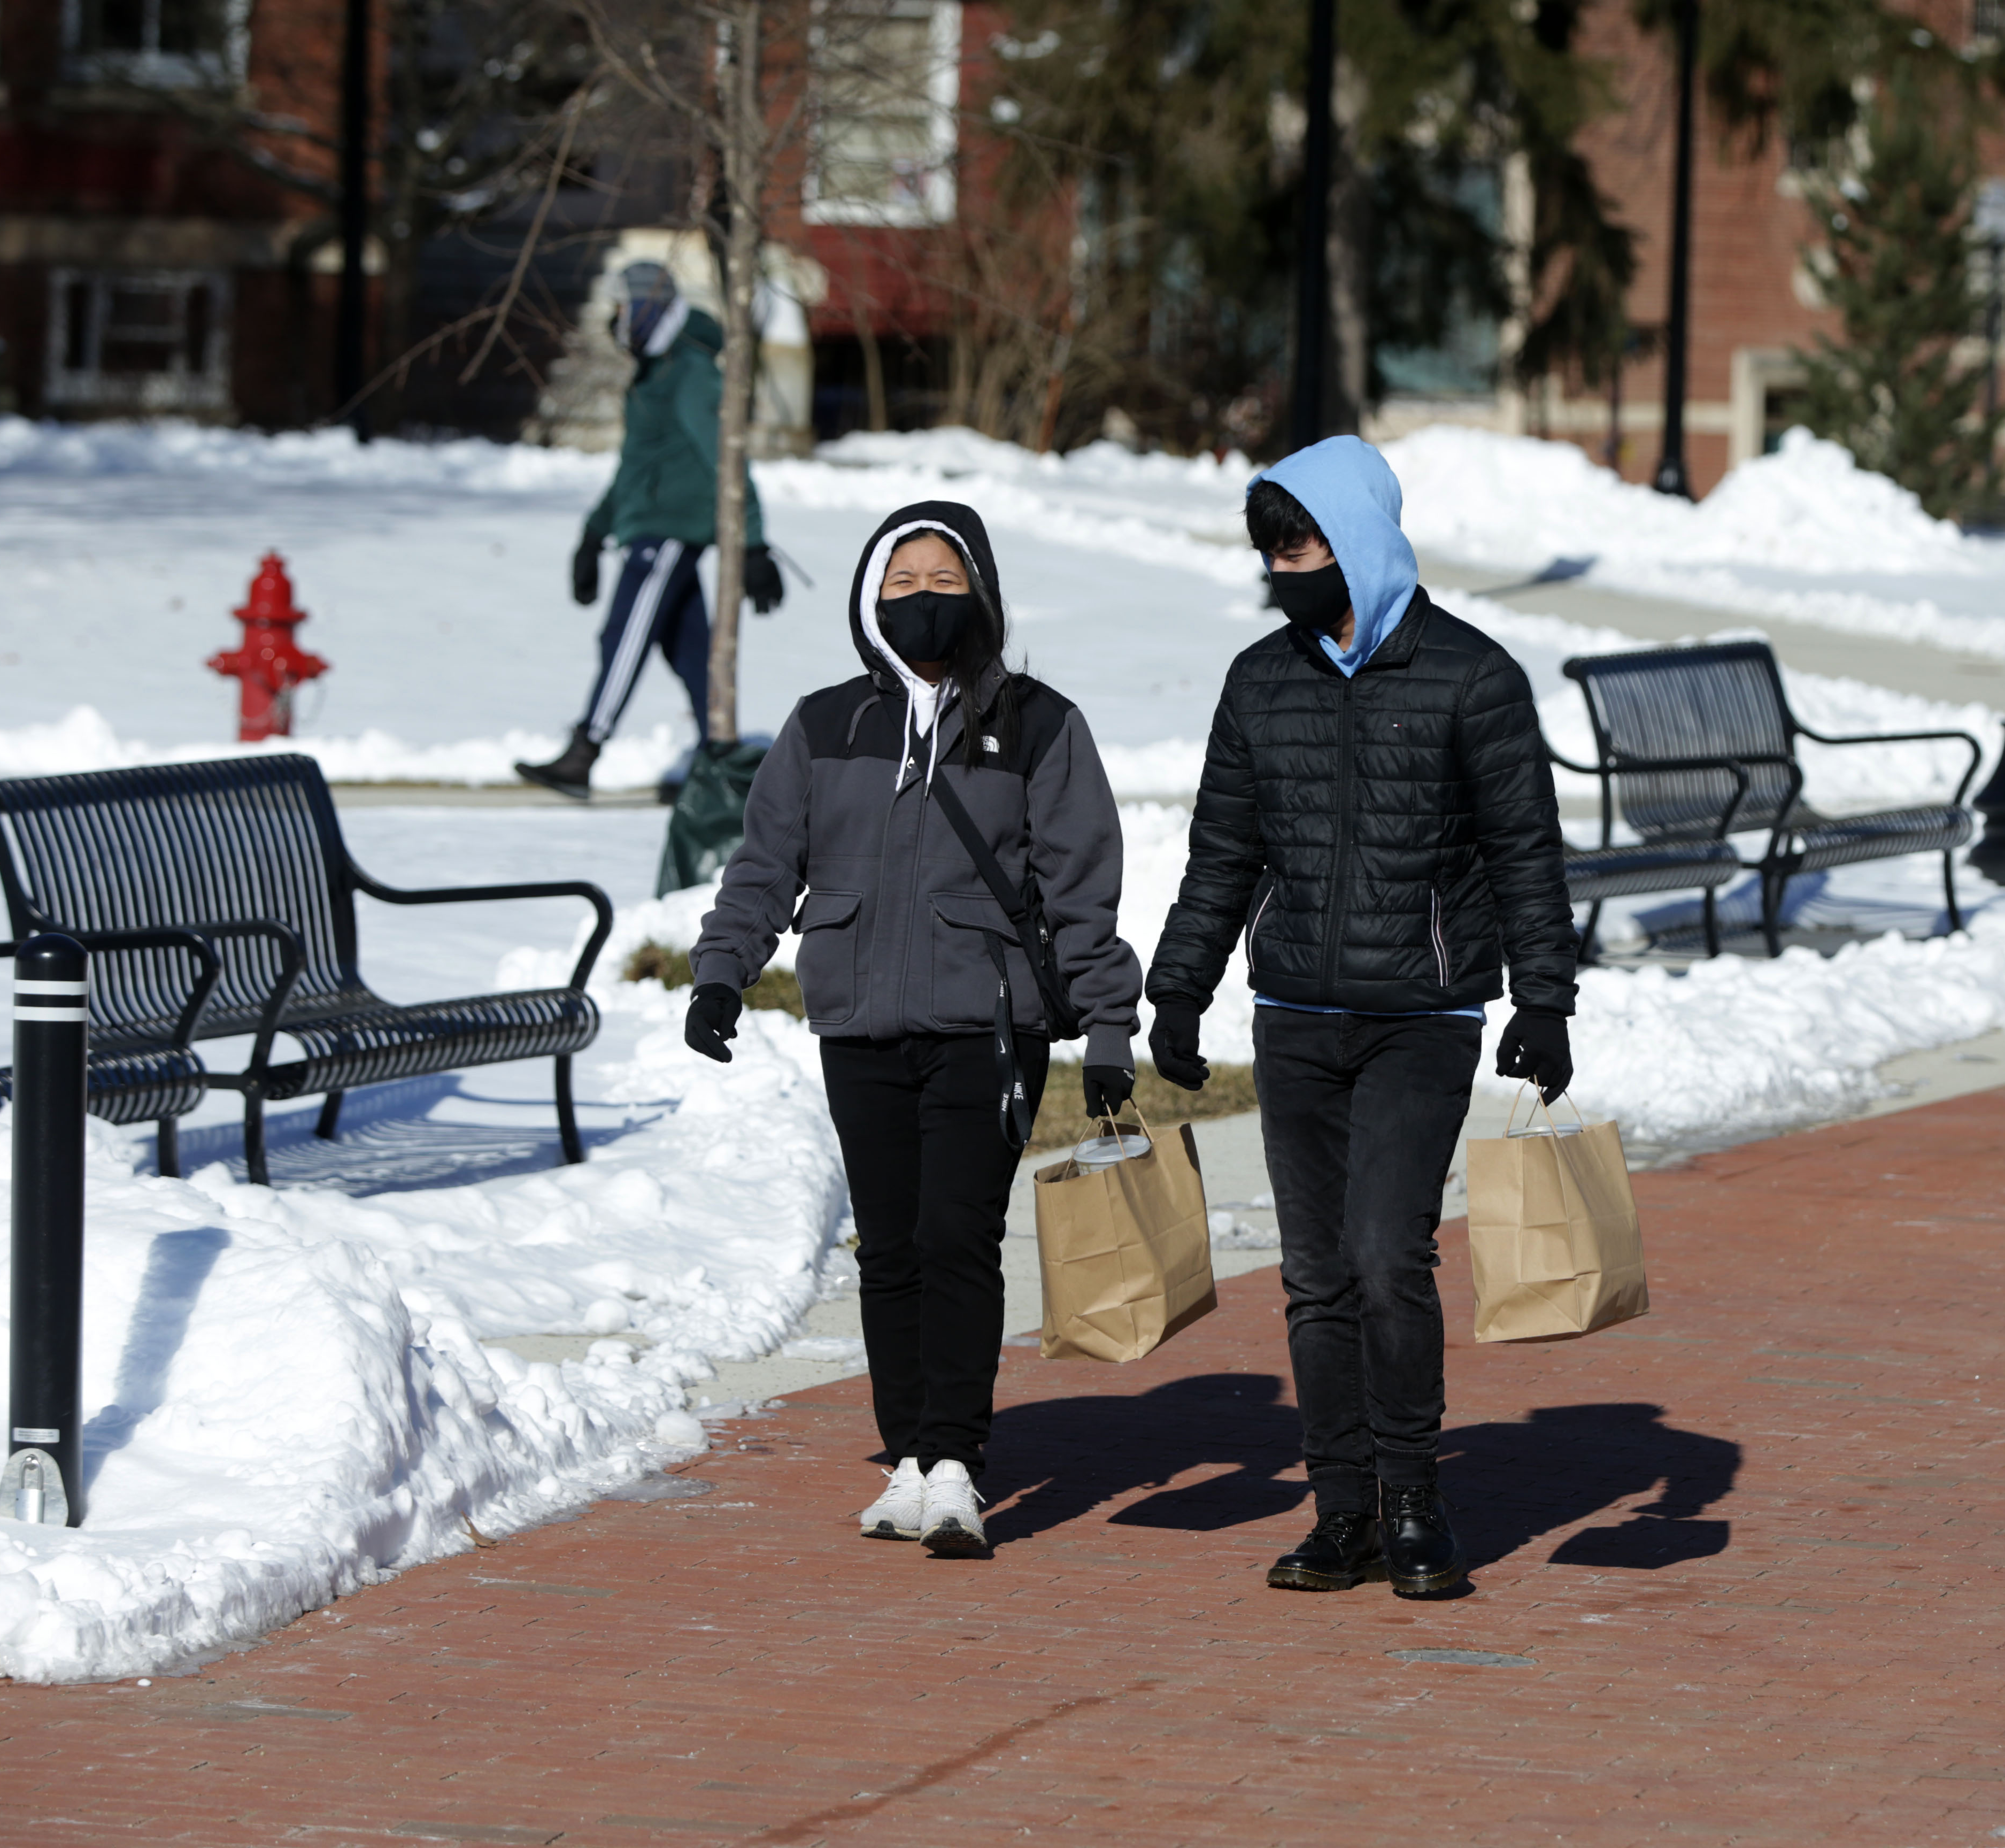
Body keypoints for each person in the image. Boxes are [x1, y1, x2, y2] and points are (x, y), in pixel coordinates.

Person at [1143, 436, 1579, 1599]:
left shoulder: (1473, 677)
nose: (1290, 568)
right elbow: (1223, 855)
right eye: (1276, 550)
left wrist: (1545, 998)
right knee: (1315, 1273)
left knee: (1390, 1258)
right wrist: (1180, 988)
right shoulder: (1260, 680)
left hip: (1420, 1017)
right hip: (1294, 1014)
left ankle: (1414, 1499)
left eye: (1308, 543)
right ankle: (1343, 1513)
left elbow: (1527, 853)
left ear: (1366, 540)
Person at [682, 499, 1143, 1557]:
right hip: (860, 1019)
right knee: (888, 1247)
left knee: (956, 1238)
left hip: (987, 1026)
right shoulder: (824, 726)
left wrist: (1110, 1033)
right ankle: (908, 1461)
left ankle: (958, 1464)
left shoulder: (1038, 725)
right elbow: (764, 866)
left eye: (945, 582)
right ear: (868, 598)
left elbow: (1083, 890)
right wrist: (721, 973)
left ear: (979, 592)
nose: (924, 600)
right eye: (904, 583)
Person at [518, 261, 787, 799]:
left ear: (648, 310)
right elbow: (635, 468)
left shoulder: (689, 372)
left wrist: (753, 541)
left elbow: (725, 459)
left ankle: (584, 752)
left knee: (625, 637)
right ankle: (720, 755)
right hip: (653, 529)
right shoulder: (653, 371)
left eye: (623, 307)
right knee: (692, 653)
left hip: (669, 533)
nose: (615, 318)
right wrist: (593, 536)